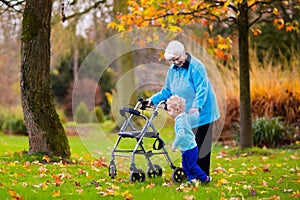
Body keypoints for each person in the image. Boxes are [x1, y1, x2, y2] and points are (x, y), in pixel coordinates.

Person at [148, 40, 220, 176]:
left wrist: (197, 106)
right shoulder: (172, 69)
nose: (176, 62)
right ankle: (192, 174)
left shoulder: (196, 66)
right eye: (173, 60)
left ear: (183, 53)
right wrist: (152, 100)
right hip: (186, 113)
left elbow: (202, 89)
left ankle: (203, 176)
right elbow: (167, 91)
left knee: (201, 145)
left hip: (203, 111)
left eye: (177, 58)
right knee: (188, 144)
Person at [166, 95, 211, 184]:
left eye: (170, 110)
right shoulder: (184, 116)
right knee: (185, 165)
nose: (168, 113)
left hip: (190, 148)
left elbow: (181, 135)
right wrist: (196, 112)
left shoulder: (180, 121)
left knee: (192, 165)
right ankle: (192, 180)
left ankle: (205, 178)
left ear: (177, 110)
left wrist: (174, 145)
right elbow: (193, 118)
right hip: (186, 148)